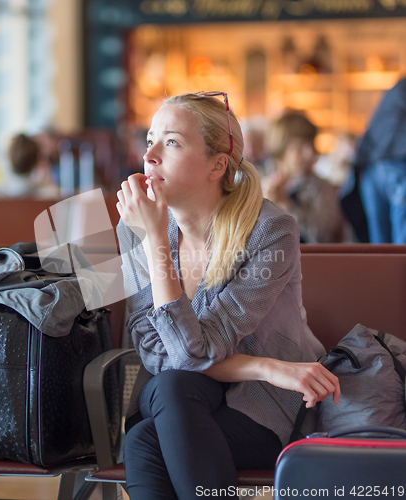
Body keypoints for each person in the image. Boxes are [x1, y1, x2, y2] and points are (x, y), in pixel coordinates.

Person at [115, 92, 340, 500]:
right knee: (172, 386)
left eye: (171, 142)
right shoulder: (137, 227)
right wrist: (267, 366)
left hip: (264, 406)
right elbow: (155, 349)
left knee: (144, 440)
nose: (149, 155)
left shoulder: (269, 231)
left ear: (217, 165)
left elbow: (193, 353)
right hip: (191, 391)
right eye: (149, 139)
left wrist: (155, 245)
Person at [262, 112, 345, 243]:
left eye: (312, 145)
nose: (309, 154)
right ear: (281, 147)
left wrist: (286, 205)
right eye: (299, 146)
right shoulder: (259, 183)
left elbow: (323, 237)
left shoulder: (323, 188)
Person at [344, 77, 406, 244]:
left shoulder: (399, 86)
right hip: (398, 163)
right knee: (401, 252)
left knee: (380, 250)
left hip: (369, 168)